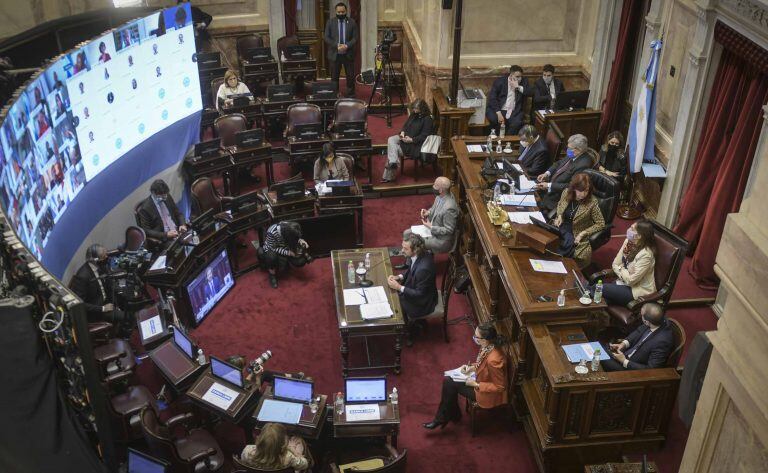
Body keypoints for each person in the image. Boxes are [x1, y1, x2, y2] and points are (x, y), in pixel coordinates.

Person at [423, 323, 507, 430]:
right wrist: (470, 368)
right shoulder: (487, 347)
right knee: (448, 380)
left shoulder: (493, 359)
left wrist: (476, 384)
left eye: (476, 336)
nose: (474, 337)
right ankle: (448, 416)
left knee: (450, 383)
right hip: (479, 379)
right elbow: (481, 364)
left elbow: (500, 386)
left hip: (487, 393)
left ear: (485, 340)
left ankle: (446, 417)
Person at [387, 234, 437, 346]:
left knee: (395, 300)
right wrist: (399, 277)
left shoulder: (424, 268)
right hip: (419, 290)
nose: (401, 251)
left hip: (423, 302)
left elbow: (420, 294)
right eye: (402, 247)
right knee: (394, 293)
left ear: (415, 249)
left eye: (405, 249)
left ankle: (405, 332)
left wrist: (399, 287)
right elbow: (411, 270)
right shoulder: (419, 256)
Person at [599, 219, 657, 306]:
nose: (629, 229)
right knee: (603, 299)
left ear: (639, 236)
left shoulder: (645, 255)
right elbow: (615, 264)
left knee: (599, 288)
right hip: (624, 283)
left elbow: (631, 281)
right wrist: (623, 271)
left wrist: (621, 269)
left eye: (632, 228)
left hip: (637, 290)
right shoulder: (628, 242)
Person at [69, 244, 129, 327]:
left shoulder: (100, 265)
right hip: (97, 310)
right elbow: (80, 305)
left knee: (129, 301)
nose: (107, 257)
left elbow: (109, 282)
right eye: (104, 256)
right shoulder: (82, 277)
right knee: (126, 317)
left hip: (107, 299)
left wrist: (119, 291)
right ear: (95, 260)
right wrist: (103, 308)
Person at [553, 173, 605, 268]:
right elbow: (560, 205)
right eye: (580, 191)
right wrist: (560, 215)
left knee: (562, 248)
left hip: (576, 232)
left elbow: (600, 223)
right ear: (574, 188)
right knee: (549, 240)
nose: (583, 194)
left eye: (586, 191)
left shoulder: (592, 202)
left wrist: (583, 233)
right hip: (561, 226)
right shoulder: (566, 192)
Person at [603, 303, 673, 371]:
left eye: (641, 315)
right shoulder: (656, 320)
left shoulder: (662, 342)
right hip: (625, 355)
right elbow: (637, 332)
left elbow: (651, 369)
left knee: (598, 355)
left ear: (646, 322)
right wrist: (623, 344)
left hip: (630, 369)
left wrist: (624, 361)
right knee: (601, 348)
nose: (640, 315)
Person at [401, 176, 458, 255]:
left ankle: (413, 265)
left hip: (441, 240)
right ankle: (409, 260)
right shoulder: (440, 197)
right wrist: (428, 212)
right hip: (431, 230)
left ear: (440, 190)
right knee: (407, 233)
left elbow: (449, 230)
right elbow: (435, 209)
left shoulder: (450, 208)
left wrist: (431, 227)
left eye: (435, 185)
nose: (433, 187)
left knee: (412, 243)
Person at [535, 134, 592, 211]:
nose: (567, 149)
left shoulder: (583, 165)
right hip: (548, 188)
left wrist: (549, 185)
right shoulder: (573, 154)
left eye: (569, 148)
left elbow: (571, 186)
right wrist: (547, 173)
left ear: (578, 150)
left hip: (556, 198)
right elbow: (558, 163)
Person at [382, 99, 433, 183]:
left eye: (417, 109)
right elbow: (405, 126)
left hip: (415, 144)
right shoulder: (414, 114)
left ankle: (389, 176)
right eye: (414, 108)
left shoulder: (427, 119)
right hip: (405, 137)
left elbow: (425, 136)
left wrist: (412, 140)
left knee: (394, 150)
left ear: (423, 108)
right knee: (391, 139)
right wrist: (402, 132)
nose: (414, 110)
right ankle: (393, 162)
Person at [257, 221, 312, 289]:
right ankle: (272, 274)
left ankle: (286, 263)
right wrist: (288, 253)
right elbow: (271, 248)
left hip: (286, 248)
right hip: (273, 250)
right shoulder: (272, 231)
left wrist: (301, 240)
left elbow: (294, 236)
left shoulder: (290, 227)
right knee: (271, 257)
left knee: (301, 261)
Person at [137, 179, 188, 246]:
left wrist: (182, 225)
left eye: (165, 195)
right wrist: (166, 235)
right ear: (153, 192)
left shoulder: (167, 197)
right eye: (161, 196)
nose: (164, 198)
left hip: (178, 231)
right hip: (164, 238)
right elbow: (146, 230)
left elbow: (178, 213)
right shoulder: (145, 208)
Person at [240, 423, 310, 472]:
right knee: (299, 440)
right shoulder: (288, 457)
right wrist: (293, 450)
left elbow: (244, 461)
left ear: (260, 438)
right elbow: (304, 464)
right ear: (283, 443)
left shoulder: (247, 450)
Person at [323, 2, 358, 97]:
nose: (341, 14)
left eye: (343, 12)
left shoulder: (352, 22)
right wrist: (336, 45)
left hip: (348, 53)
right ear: (335, 12)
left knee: (350, 77)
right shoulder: (330, 22)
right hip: (335, 54)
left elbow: (355, 38)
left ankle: (350, 96)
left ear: (346, 11)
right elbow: (326, 37)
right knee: (334, 77)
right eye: (339, 12)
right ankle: (334, 95)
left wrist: (347, 45)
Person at [485, 65, 530, 136]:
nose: (520, 79)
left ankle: (507, 141)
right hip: (499, 109)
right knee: (494, 119)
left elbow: (530, 92)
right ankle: (495, 139)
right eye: (517, 77)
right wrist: (499, 113)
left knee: (516, 123)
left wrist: (518, 87)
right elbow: (492, 98)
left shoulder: (524, 81)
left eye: (521, 76)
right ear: (511, 75)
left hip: (514, 111)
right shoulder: (500, 81)